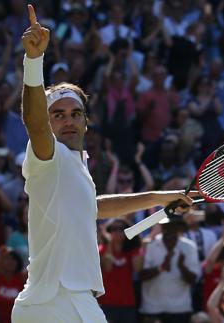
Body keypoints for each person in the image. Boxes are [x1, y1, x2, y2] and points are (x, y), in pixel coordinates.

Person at [11, 5, 195, 323]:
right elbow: (35, 122)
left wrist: (159, 199)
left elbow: (93, 208)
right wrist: (34, 60)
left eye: (75, 114)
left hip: (63, 303)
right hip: (57, 302)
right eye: (58, 114)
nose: (67, 121)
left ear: (86, 122)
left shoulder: (76, 166)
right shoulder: (48, 155)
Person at [139, 217, 201, 323]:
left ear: (179, 228)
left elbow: (193, 280)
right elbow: (142, 276)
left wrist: (181, 266)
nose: (169, 230)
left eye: (173, 226)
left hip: (179, 309)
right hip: (152, 308)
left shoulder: (189, 247)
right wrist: (161, 267)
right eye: (166, 226)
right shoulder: (150, 245)